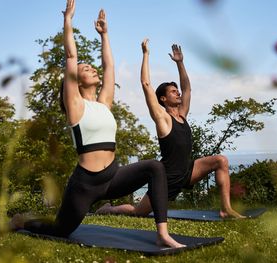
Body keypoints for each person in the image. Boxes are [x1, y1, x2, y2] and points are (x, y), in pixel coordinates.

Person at [10, 1, 184, 248]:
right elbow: (71, 56)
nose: (90, 68)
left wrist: (104, 35)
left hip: (112, 176)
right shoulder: (75, 105)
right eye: (84, 68)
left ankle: (162, 233)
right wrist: (68, 21)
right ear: (75, 81)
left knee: (155, 167)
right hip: (85, 185)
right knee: (60, 230)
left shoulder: (104, 103)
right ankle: (22, 222)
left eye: (90, 67)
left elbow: (109, 66)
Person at [96, 39, 245, 219]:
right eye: (173, 92)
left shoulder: (182, 114)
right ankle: (109, 209)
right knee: (138, 212)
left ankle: (225, 209)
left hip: (188, 172)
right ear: (163, 99)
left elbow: (187, 89)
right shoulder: (162, 119)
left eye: (177, 90)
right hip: (166, 179)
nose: (178, 93)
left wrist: (180, 63)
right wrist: (145, 54)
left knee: (221, 160)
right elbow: (145, 84)